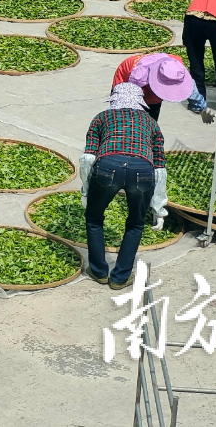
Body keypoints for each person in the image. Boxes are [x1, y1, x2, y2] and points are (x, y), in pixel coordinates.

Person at [80, 83, 168, 289]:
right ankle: (120, 278)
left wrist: (87, 189)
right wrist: (159, 208)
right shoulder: (151, 123)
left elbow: (88, 158)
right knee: (136, 224)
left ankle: (99, 271)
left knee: (94, 218)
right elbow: (159, 168)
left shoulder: (101, 117)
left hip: (107, 166)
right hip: (143, 170)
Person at [111, 52, 194, 121]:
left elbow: (191, 87)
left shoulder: (176, 66)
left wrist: (200, 105)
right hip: (128, 79)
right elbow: (127, 104)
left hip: (150, 88)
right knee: (124, 119)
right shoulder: (138, 77)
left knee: (152, 118)